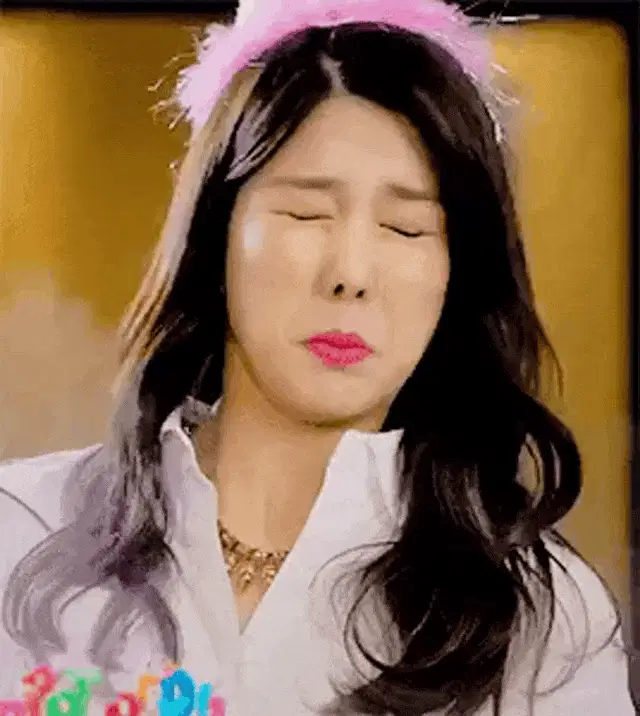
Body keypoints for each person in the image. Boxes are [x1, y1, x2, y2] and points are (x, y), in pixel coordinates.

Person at [0, 1, 634, 714]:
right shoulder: (20, 530)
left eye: (406, 228)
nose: (350, 274)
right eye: (306, 214)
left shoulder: (546, 621)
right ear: (216, 233)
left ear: (458, 278)